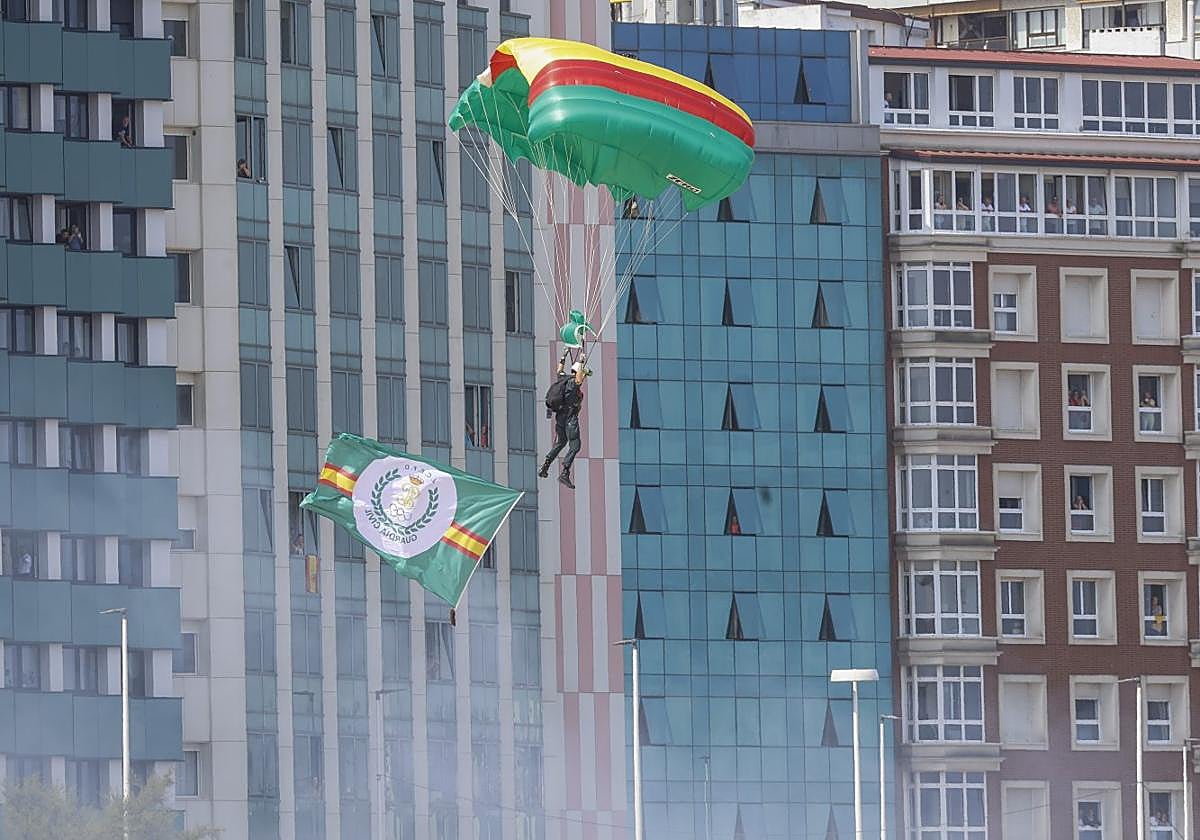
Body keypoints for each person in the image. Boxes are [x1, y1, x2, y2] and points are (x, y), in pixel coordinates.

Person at [539, 356, 586, 489]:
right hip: (570, 420)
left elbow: (559, 369)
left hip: (560, 419)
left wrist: (563, 357)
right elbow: (578, 379)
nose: (584, 377)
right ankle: (565, 472)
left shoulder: (562, 379)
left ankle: (545, 466)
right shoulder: (573, 383)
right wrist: (581, 361)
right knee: (575, 446)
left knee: (560, 443)